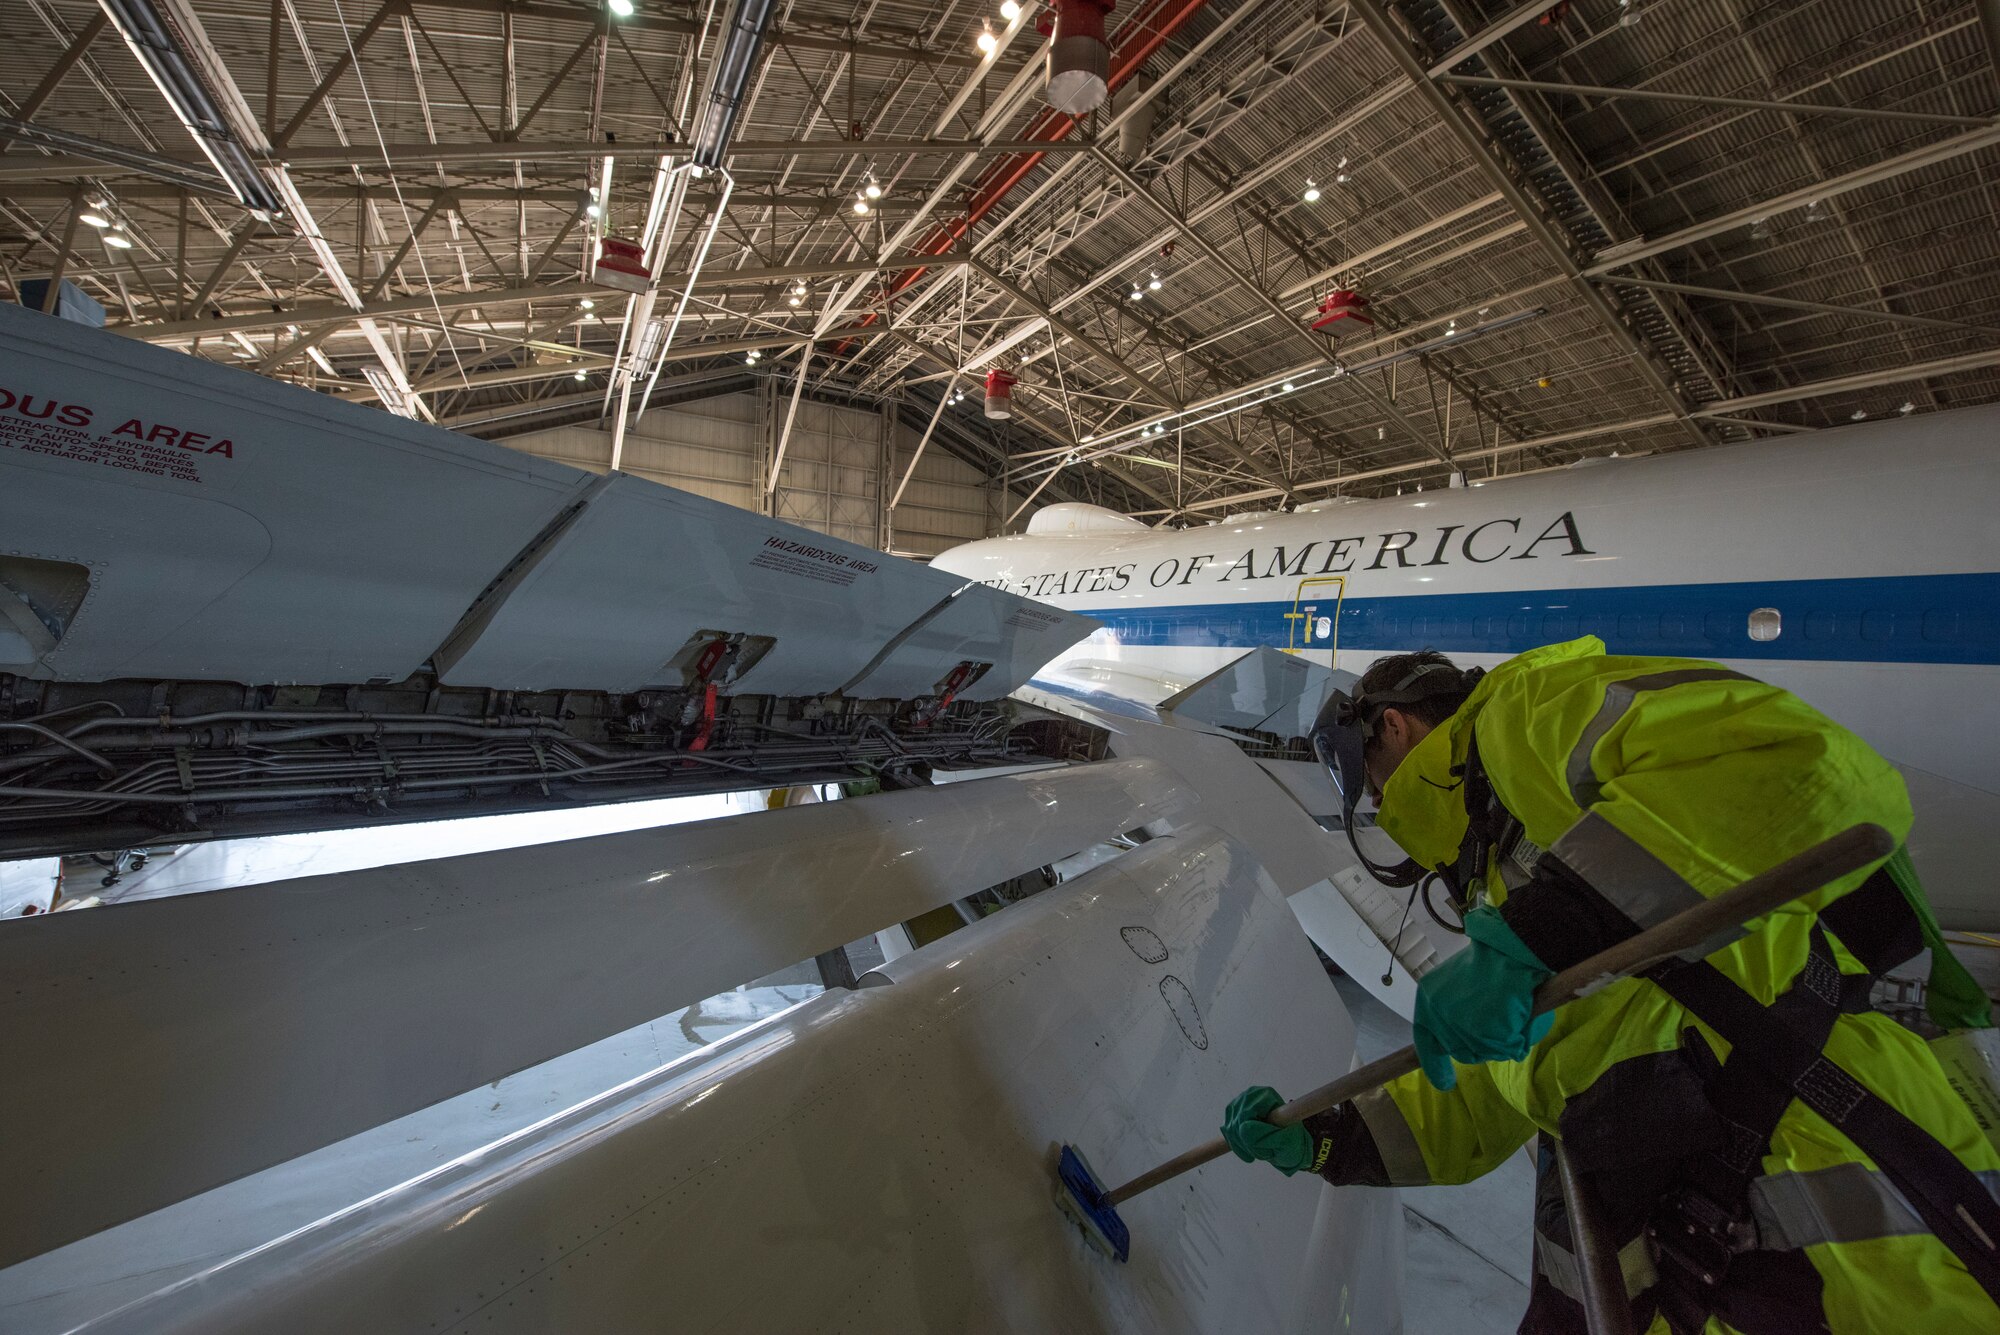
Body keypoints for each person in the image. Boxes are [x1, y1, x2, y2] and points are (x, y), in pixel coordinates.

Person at [1221, 637, 2000, 1334]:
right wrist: (1331, 1133)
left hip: (1850, 1234)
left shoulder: (1526, 717)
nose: (1382, 806)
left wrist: (1546, 927)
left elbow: (1805, 767)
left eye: (1374, 783)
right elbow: (1500, 1091)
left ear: (1394, 726)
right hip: (1701, 1258)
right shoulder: (1500, 863)